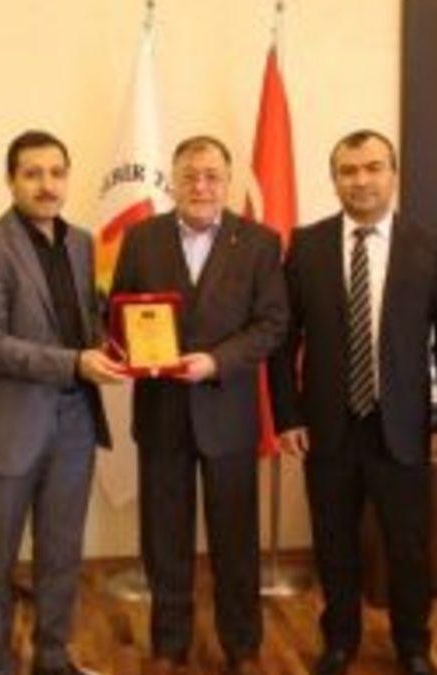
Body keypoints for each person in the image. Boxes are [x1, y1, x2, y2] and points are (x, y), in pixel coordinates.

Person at [269, 130, 437, 675]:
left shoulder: (426, 245)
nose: (361, 180)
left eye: (372, 168)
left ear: (393, 174)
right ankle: (339, 642)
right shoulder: (307, 245)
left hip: (403, 428)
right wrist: (287, 416)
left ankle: (413, 646)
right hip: (328, 428)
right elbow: (283, 342)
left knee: (409, 548)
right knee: (334, 545)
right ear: (334, 179)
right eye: (348, 170)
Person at [109, 135, 288, 675]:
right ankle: (169, 645)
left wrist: (217, 361)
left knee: (236, 541)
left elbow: (272, 324)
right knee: (164, 539)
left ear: (227, 182)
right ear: (174, 181)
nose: (201, 186)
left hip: (227, 414)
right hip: (161, 412)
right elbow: (117, 312)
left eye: (212, 176)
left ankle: (242, 646)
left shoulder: (259, 242)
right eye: (190, 176)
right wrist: (127, 346)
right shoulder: (141, 238)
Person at [0, 130, 128, 675]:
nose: (47, 185)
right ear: (11, 180)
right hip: (11, 426)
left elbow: (86, 323)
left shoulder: (83, 244)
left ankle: (53, 659)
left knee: (61, 554)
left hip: (75, 421)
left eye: (56, 173)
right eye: (32, 174)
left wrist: (119, 343)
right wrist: (74, 363)